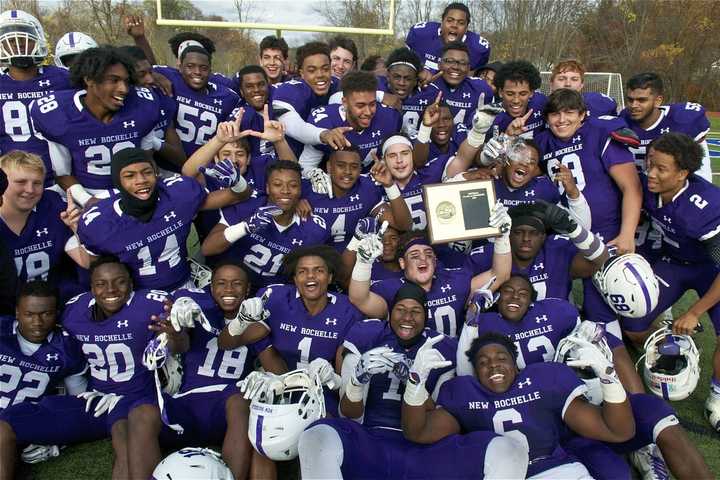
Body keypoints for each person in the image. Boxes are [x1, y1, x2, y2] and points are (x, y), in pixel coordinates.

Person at [299, 283, 528, 479]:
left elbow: (447, 415)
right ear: (389, 313)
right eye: (400, 309)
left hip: (426, 449)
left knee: (507, 449)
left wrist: (415, 383)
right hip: (370, 442)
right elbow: (350, 417)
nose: (407, 317)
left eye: (416, 311)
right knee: (316, 436)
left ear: (426, 316)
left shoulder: (441, 346)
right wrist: (357, 382)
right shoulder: (369, 335)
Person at [0, 257, 181, 479]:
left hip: (135, 401)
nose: (110, 289)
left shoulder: (152, 305)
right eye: (101, 283)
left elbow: (179, 341)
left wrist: (173, 336)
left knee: (126, 450)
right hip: (95, 400)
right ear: (91, 287)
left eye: (119, 281)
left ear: (131, 283)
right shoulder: (73, 312)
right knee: (9, 420)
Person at [402, 332, 635, 478]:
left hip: (560, 472)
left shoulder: (544, 380)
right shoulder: (463, 393)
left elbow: (618, 430)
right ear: (474, 372)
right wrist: (414, 383)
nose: (493, 366)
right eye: (483, 362)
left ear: (516, 365)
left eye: (501, 358)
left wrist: (609, 378)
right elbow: (418, 432)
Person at [129, 261, 284, 479]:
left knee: (240, 399)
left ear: (248, 289)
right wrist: (173, 332)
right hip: (187, 404)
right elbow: (181, 344)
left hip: (227, 409)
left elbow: (277, 371)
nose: (229, 289)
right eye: (221, 283)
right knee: (141, 412)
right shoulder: (198, 313)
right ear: (211, 288)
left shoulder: (254, 322)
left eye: (236, 283)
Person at [619, 133, 720, 432]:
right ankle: (677, 341)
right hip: (673, 262)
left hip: (710, 270)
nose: (651, 173)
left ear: (683, 173)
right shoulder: (648, 186)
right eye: (650, 164)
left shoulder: (704, 208)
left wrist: (694, 312)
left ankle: (717, 395)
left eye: (661, 169)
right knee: (632, 324)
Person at [76, 147, 250, 292]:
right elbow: (94, 266)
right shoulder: (98, 223)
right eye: (130, 176)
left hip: (183, 286)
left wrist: (237, 182)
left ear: (156, 173)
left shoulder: (178, 195)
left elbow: (238, 196)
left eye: (147, 173)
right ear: (118, 181)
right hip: (135, 296)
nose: (141, 181)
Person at [29, 46, 165, 207]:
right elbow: (62, 173)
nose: (124, 89)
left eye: (126, 81)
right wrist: (87, 201)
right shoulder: (58, 114)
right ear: (89, 80)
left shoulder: (142, 106)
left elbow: (146, 160)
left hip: (133, 194)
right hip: (84, 195)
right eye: (114, 80)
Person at [349, 217, 511, 338]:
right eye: (414, 255)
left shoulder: (454, 280)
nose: (423, 259)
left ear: (435, 260)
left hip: (454, 357)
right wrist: (363, 262)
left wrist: (502, 237)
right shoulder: (391, 289)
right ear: (402, 263)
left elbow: (500, 275)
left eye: (428, 254)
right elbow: (359, 298)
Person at [0, 281, 88, 478]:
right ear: (17, 312)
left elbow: (78, 401)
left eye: (46, 314)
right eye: (29, 314)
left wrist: (55, 441)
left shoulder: (66, 347)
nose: (37, 323)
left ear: (56, 313)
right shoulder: (2, 329)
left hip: (19, 425)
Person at [201, 160, 331, 289]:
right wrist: (245, 227)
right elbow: (207, 248)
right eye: (277, 184)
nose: (285, 191)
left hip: (273, 292)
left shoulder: (314, 228)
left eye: (293, 185)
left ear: (300, 190)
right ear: (268, 188)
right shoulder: (249, 205)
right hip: (232, 285)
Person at [0, 151, 87, 298]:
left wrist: (79, 231)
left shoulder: (53, 208)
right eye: (21, 182)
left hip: (53, 304)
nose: (30, 190)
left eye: (37, 183)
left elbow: (86, 262)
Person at [0, 9, 71, 186]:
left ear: (38, 40)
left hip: (61, 178)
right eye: (9, 40)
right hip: (12, 181)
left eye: (25, 38)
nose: (17, 44)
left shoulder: (63, 78)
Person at [458, 275, 580, 372]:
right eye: (508, 291)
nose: (515, 296)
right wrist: (471, 321)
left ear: (531, 301)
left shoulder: (555, 311)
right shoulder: (484, 323)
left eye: (523, 294)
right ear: (496, 299)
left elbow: (577, 332)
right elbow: (465, 373)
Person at [303, 148, 412, 252]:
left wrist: (389, 186)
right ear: (329, 167)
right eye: (341, 166)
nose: (348, 171)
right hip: (316, 258)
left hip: (354, 257)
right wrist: (295, 202)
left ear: (360, 169)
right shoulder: (310, 188)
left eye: (354, 167)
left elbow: (403, 225)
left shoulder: (366, 188)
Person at [300, 71, 402, 172]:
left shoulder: (388, 117)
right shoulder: (324, 121)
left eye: (372, 104)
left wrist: (385, 164)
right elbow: (306, 167)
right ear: (345, 103)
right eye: (360, 106)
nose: (368, 112)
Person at [620, 72, 712, 182]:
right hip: (634, 188)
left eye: (641, 100)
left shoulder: (681, 120)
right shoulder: (621, 120)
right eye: (630, 100)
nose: (634, 105)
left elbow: (700, 171)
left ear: (658, 101)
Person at [406, 2, 490, 76]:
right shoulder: (421, 34)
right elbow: (406, 63)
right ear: (442, 21)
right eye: (450, 20)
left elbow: (475, 79)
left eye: (461, 23)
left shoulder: (477, 48)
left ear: (466, 27)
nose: (454, 25)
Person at [425, 42, 494, 129]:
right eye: (449, 61)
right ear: (439, 64)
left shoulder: (481, 88)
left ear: (469, 68)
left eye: (462, 63)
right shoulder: (427, 81)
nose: (456, 67)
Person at [487, 60, 546, 140]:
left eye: (523, 94)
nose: (516, 100)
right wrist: (506, 137)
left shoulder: (541, 103)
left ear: (531, 93)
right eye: (510, 94)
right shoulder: (489, 117)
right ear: (500, 92)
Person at [549, 60, 618, 117]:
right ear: (551, 84)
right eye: (561, 79)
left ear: (582, 85)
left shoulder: (598, 103)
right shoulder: (541, 106)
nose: (568, 84)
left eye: (574, 79)